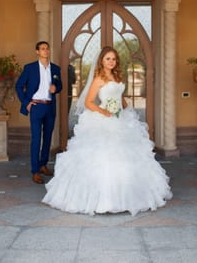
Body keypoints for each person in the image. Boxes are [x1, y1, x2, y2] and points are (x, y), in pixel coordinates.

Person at [42, 46, 172, 216]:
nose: (111, 62)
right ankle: (102, 200)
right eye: (107, 59)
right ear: (101, 61)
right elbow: (88, 102)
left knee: (128, 154)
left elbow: (120, 98)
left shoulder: (117, 76)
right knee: (104, 156)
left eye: (113, 59)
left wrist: (128, 111)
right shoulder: (98, 79)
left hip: (121, 119)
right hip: (104, 119)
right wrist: (104, 112)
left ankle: (129, 197)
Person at [16, 41, 62, 184]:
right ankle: (35, 171)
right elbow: (18, 86)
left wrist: (56, 88)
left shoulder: (55, 68)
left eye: (47, 49)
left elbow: (59, 85)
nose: (46, 51)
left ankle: (43, 165)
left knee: (48, 137)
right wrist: (26, 102)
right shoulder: (30, 68)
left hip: (49, 106)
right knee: (36, 139)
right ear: (37, 52)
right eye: (43, 49)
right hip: (36, 106)